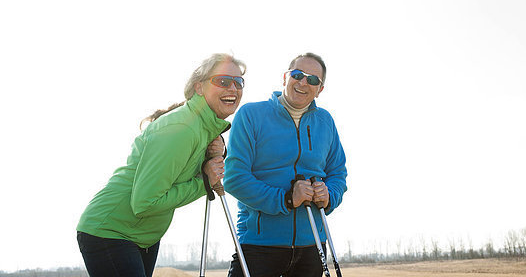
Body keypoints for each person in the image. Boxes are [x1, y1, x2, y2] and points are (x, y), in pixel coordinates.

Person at [76, 53, 246, 277]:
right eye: (223, 81)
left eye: (238, 82)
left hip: (142, 236)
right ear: (199, 87)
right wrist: (204, 182)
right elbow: (145, 203)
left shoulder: (202, 127)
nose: (232, 88)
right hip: (111, 231)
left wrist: (216, 151)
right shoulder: (182, 129)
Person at [224, 52, 347, 277]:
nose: (303, 82)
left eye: (312, 80)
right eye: (297, 75)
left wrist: (329, 194)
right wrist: (287, 199)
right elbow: (234, 179)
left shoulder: (325, 121)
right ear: (285, 77)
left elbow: (338, 173)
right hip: (260, 247)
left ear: (320, 89)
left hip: (313, 246)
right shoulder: (251, 115)